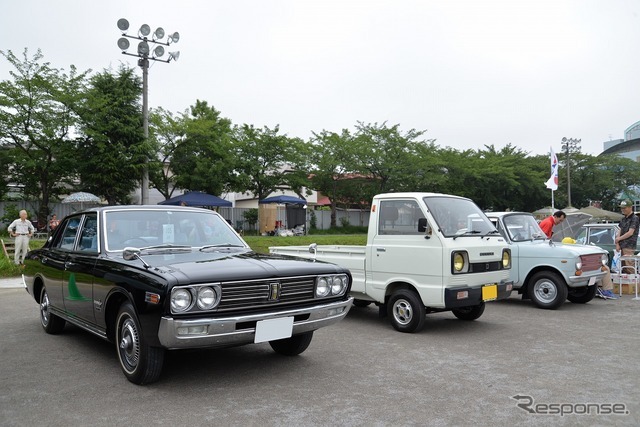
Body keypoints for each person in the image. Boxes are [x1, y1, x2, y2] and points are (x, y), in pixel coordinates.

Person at [615, 199, 639, 274]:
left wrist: (619, 239)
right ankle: (624, 285)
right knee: (622, 268)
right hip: (621, 246)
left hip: (629, 246)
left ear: (630, 207)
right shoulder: (623, 219)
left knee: (629, 268)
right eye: (622, 208)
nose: (623, 210)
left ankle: (635, 285)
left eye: (624, 208)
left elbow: (630, 232)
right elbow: (619, 230)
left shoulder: (635, 218)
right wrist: (617, 243)